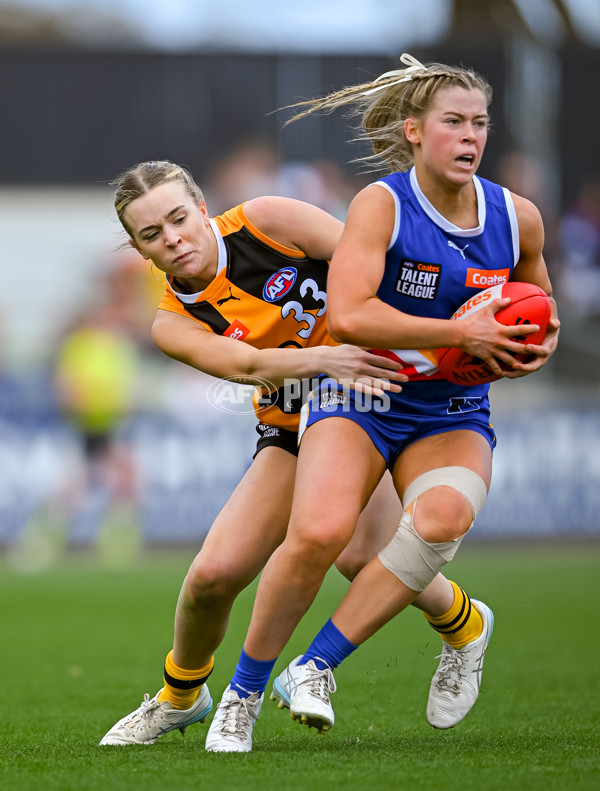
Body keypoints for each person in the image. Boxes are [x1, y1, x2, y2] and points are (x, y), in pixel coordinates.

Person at [208, 54, 560, 752]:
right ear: (415, 131)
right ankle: (241, 697)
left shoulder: (516, 217)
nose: (470, 136)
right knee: (320, 536)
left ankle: (315, 666)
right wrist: (460, 330)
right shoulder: (382, 204)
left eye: (480, 123)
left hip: (450, 407)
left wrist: (534, 347)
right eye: (453, 122)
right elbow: (351, 311)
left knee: (443, 518)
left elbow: (541, 311)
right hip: (361, 387)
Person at [98, 159, 463, 747]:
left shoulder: (269, 220)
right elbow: (246, 366)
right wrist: (325, 359)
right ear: (139, 251)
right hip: (293, 425)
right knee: (211, 578)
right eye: (151, 235)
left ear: (201, 206)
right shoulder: (172, 323)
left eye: (178, 218)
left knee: (358, 558)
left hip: (375, 401)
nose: (172, 239)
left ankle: (465, 624)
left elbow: (372, 268)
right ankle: (180, 696)